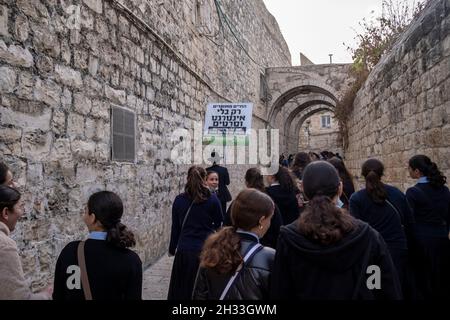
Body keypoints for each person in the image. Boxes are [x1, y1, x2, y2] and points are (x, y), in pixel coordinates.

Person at [271, 161, 402, 300]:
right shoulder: (368, 236)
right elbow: (383, 288)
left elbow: (281, 291)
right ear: (340, 188)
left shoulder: (289, 239)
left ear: (302, 188)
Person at [53, 191, 142, 300]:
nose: (84, 216)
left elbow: (58, 295)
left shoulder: (70, 252)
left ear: (92, 218)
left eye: (86, 212)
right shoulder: (131, 260)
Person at [193, 188, 275, 300]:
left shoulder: (213, 248)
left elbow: (199, 295)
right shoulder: (270, 257)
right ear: (261, 220)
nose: (270, 224)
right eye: (270, 218)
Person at [349, 159, 414, 298]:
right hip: (397, 250)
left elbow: (356, 229)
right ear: (382, 173)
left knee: (376, 290)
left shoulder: (357, 199)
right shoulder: (397, 194)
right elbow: (409, 222)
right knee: (397, 288)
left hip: (372, 253)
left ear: (362, 175)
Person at [168, 166, 224, 300]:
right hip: (205, 250)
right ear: (205, 179)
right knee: (200, 290)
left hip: (184, 250)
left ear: (188, 178)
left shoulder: (179, 200)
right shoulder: (213, 200)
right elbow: (219, 226)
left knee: (181, 289)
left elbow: (175, 227)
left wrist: (172, 248)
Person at [406, 155, 450, 299]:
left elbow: (409, 221)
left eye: (410, 168)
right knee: (441, 279)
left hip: (422, 241)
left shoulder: (413, 192)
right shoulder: (444, 190)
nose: (409, 171)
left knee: (424, 280)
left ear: (417, 171)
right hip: (442, 238)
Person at [0, 185, 52, 299]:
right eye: (20, 207)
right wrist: (47, 294)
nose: (22, 212)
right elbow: (18, 297)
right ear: (5, 213)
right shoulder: (5, 245)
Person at [224, 168, 283, 249]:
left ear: (246, 182)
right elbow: (278, 230)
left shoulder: (238, 203)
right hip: (266, 249)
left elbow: (227, 226)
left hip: (238, 249)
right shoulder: (270, 204)